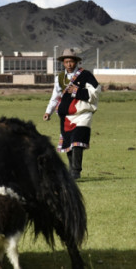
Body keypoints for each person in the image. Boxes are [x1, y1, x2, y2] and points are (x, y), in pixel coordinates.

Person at [43, 48, 101, 179]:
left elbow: (95, 93)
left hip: (82, 114)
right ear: (63, 63)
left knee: (77, 141)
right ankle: (71, 171)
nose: (69, 64)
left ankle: (76, 171)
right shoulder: (60, 78)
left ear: (76, 62)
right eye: (66, 62)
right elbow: (55, 96)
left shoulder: (86, 75)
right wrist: (48, 111)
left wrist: (77, 91)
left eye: (71, 61)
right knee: (69, 144)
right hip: (66, 117)